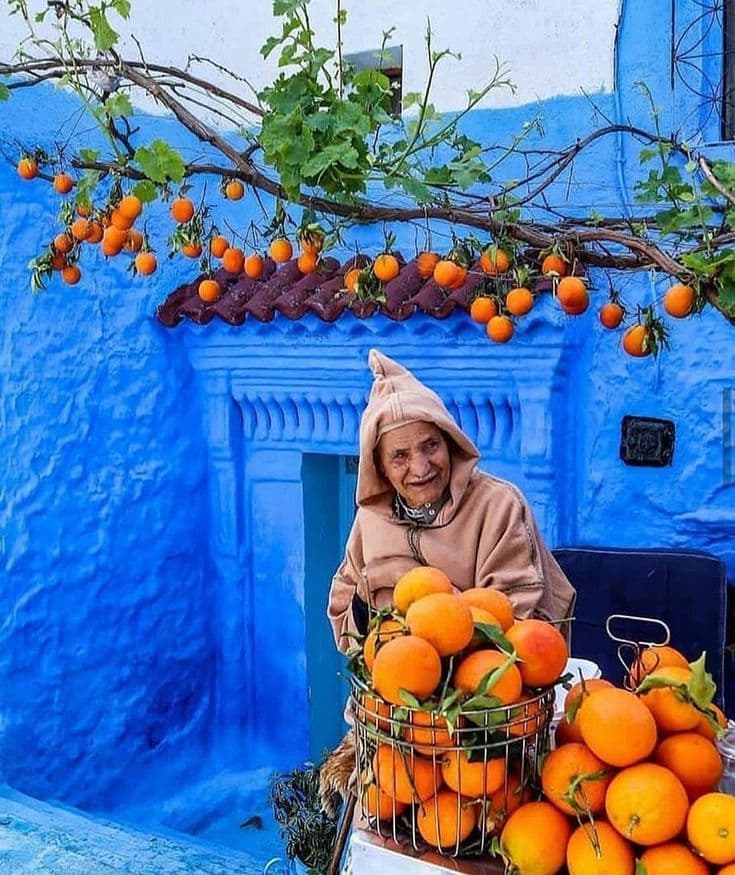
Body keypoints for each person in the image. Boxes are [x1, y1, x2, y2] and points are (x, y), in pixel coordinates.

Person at [327, 348, 576, 652]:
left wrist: (423, 586)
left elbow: (516, 627)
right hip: (391, 692)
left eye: (430, 445)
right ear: (380, 468)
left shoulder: (497, 507)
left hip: (484, 694)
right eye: (400, 457)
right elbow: (345, 630)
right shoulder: (371, 518)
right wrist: (368, 590)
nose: (420, 468)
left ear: (450, 442)